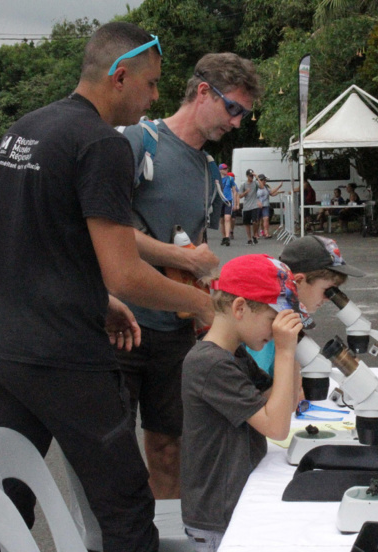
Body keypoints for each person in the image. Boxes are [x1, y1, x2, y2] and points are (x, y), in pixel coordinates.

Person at [0, 23, 213, 552]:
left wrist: (101, 301)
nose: (155, 98)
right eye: (152, 84)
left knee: (8, 497)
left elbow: (35, 241)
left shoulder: (27, 128)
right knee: (124, 502)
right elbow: (127, 272)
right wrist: (209, 304)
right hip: (55, 350)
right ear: (120, 77)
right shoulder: (102, 144)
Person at [116, 53, 260, 500]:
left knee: (169, 445)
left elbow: (192, 246)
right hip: (119, 323)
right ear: (203, 92)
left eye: (243, 115)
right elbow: (105, 231)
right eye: (232, 109)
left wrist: (202, 294)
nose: (236, 123)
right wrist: (189, 260)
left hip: (173, 328)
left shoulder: (207, 169)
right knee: (111, 452)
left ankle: (171, 537)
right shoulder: (139, 141)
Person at [180, 254, 305, 551]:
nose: (276, 333)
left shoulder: (234, 354)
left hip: (233, 503)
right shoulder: (210, 364)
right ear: (240, 307)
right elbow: (276, 427)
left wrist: (295, 349)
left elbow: (281, 403)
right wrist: (285, 353)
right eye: (273, 321)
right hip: (218, 518)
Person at [247, 235, 365, 375]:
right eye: (328, 290)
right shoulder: (265, 328)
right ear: (299, 281)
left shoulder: (286, 317)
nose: (328, 299)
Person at [256, 173, 282, 238]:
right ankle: (256, 233)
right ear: (260, 180)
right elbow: (252, 196)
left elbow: (271, 193)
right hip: (257, 206)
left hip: (265, 205)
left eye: (265, 180)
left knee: (266, 218)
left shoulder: (266, 187)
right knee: (257, 220)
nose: (265, 182)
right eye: (264, 180)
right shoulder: (256, 187)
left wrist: (278, 188)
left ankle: (266, 233)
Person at [218, 163, 238, 246]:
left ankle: (227, 237)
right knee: (221, 220)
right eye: (224, 169)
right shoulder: (217, 179)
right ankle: (224, 237)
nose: (226, 170)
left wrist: (235, 204)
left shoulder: (230, 179)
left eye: (226, 168)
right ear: (220, 170)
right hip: (220, 201)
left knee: (227, 218)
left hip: (228, 201)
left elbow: (234, 191)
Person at [239, 168, 259, 245]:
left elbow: (261, 186)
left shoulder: (255, 183)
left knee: (255, 222)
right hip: (246, 206)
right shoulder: (244, 185)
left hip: (254, 205)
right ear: (247, 176)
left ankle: (254, 235)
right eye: (250, 176)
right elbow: (240, 196)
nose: (252, 177)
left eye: (252, 176)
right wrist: (245, 192)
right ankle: (249, 238)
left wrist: (257, 177)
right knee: (247, 223)